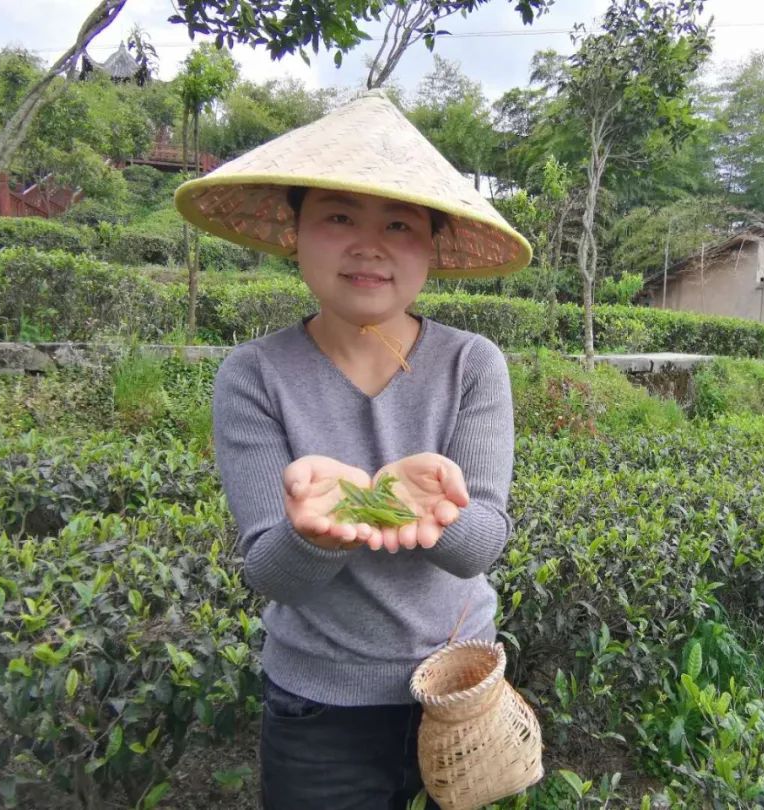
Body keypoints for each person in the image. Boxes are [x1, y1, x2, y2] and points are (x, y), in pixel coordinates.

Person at [174, 89, 532, 810]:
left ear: (430, 246)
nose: (368, 246)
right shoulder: (255, 375)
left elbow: (481, 542)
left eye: (399, 224)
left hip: (459, 688)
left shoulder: (472, 365)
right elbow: (271, 573)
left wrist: (434, 512)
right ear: (296, 233)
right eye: (338, 217)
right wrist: (314, 534)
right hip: (319, 710)